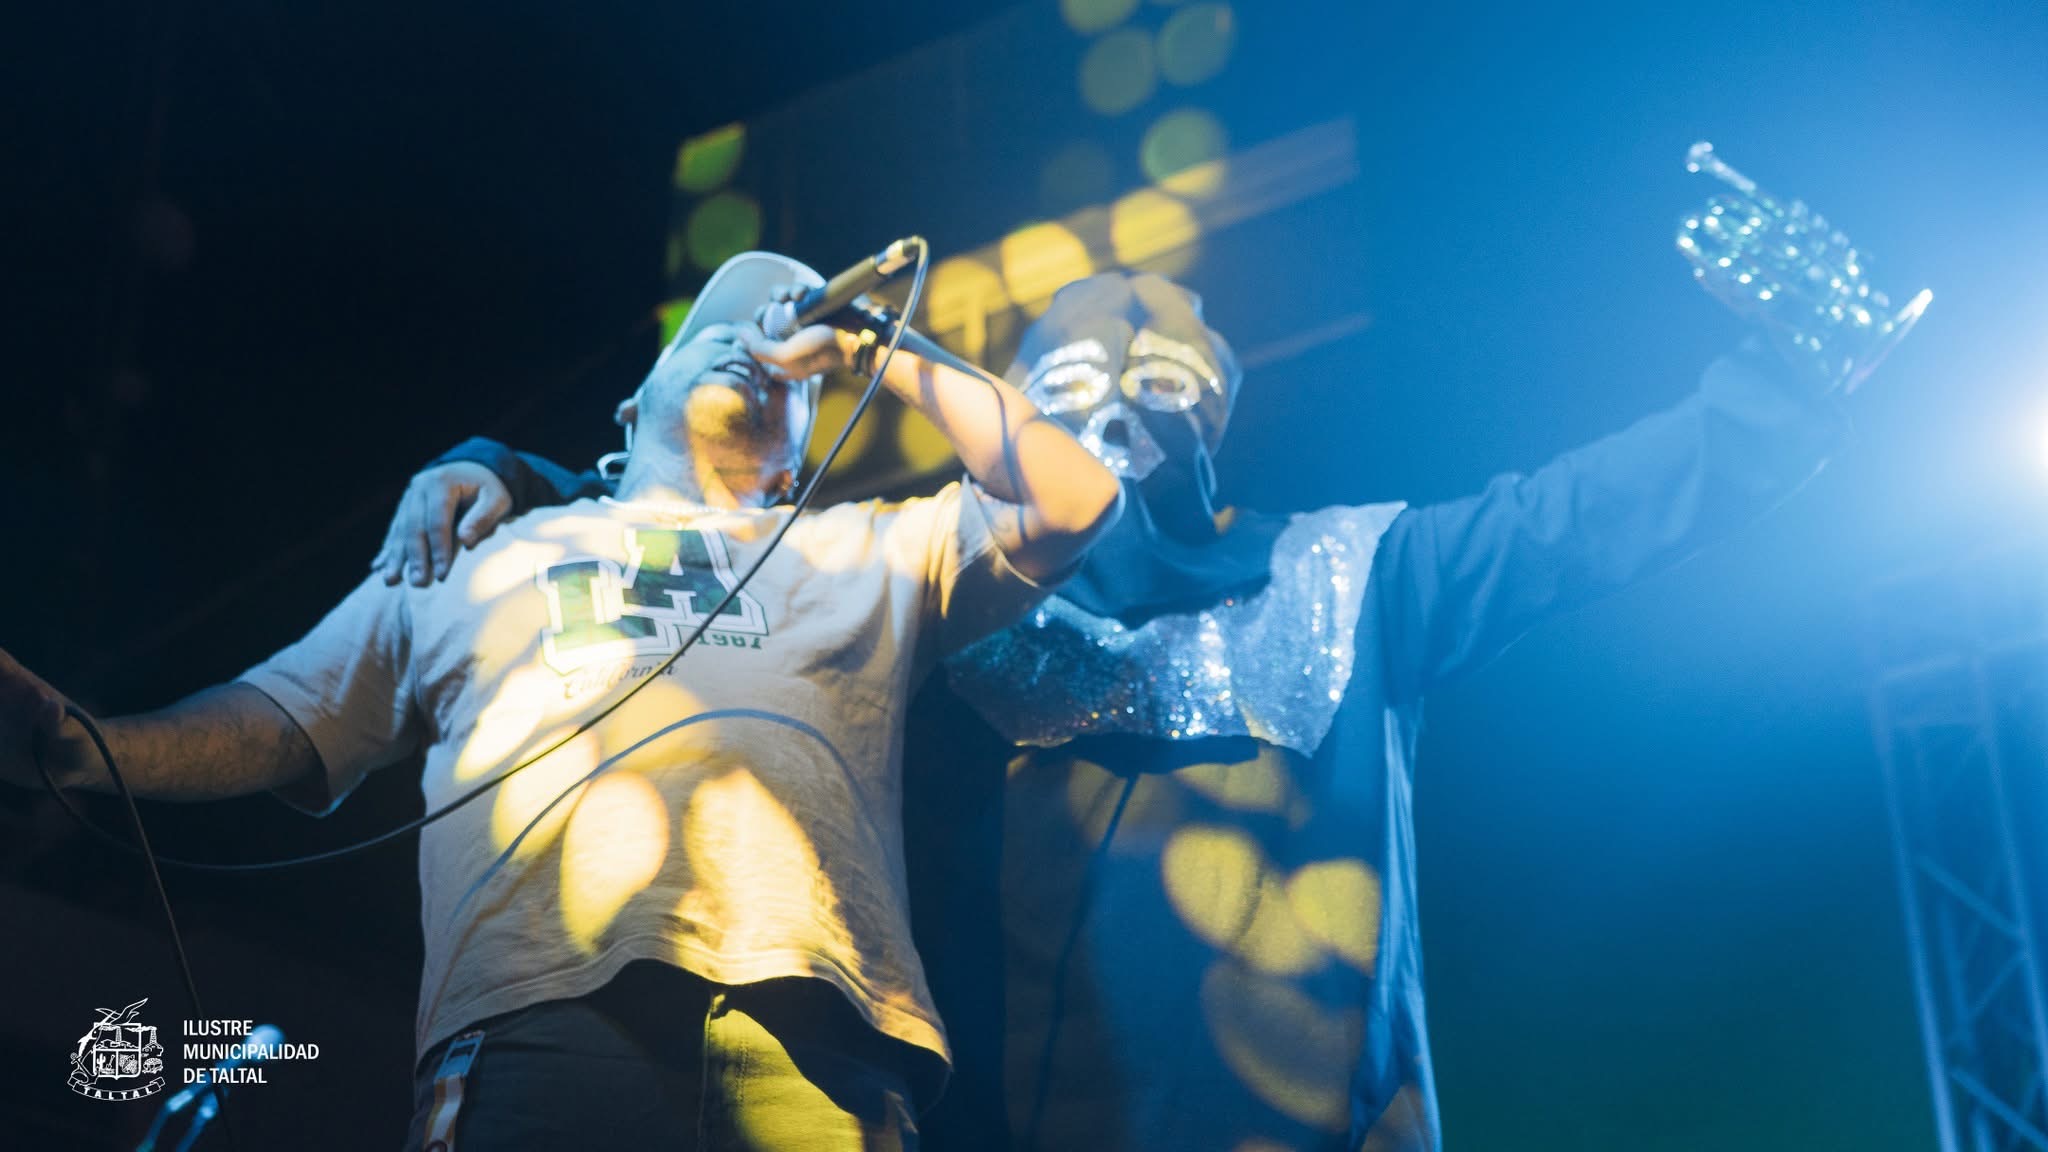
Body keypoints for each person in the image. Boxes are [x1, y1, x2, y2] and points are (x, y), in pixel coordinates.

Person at [380, 270, 1857, 1150]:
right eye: (1075, 375)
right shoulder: (951, 591)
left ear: (1219, 397)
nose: (1122, 402)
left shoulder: (1359, 570)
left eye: (1161, 371)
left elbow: (1582, 518)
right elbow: (717, 549)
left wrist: (1782, 387)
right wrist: (519, 472)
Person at [0, 251, 1123, 1151]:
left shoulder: (864, 548)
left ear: (794, 458)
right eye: (717, 331)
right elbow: (284, 713)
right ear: (632, 410)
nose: (754, 342)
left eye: (782, 353)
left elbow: (1072, 498)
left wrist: (875, 341)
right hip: (539, 1018)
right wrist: (83, 746)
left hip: (823, 1039)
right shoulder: (477, 547)